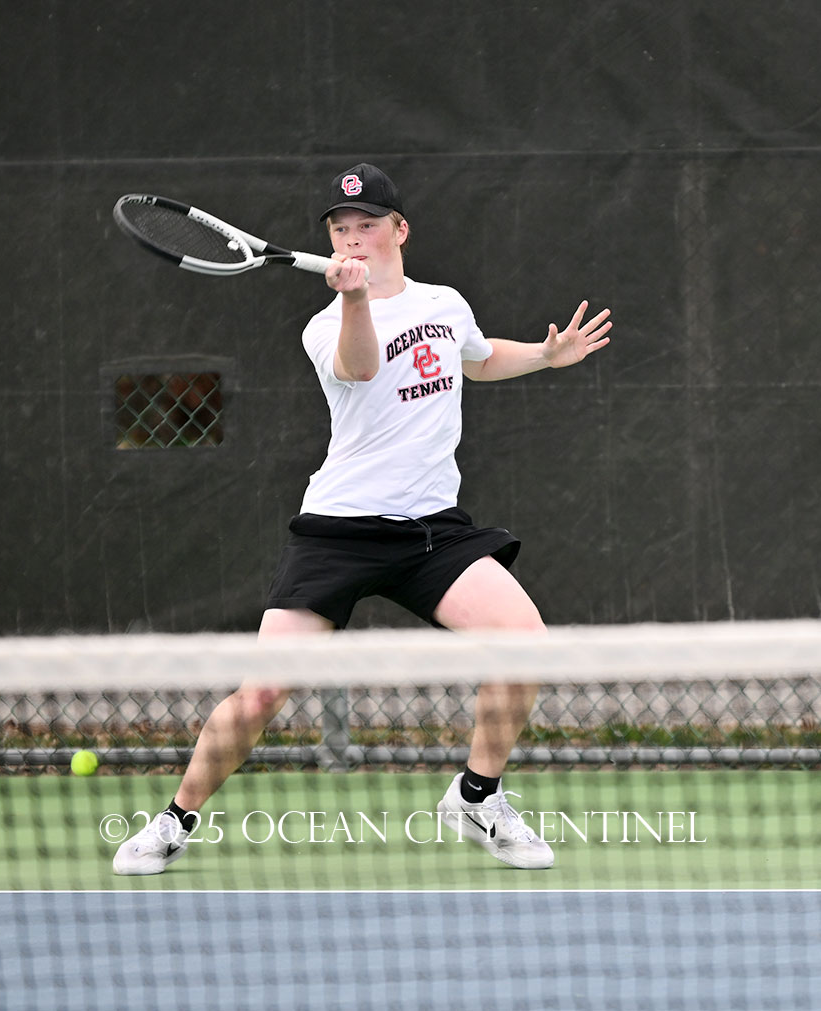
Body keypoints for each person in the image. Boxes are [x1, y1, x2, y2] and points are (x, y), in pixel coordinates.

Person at [113, 163, 612, 874]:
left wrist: (546, 356)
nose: (352, 237)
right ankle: (174, 818)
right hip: (339, 532)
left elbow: (476, 359)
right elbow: (360, 368)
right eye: (340, 228)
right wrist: (354, 301)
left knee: (524, 642)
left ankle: (477, 797)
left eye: (367, 225)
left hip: (433, 529)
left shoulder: (444, 303)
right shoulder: (325, 327)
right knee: (262, 693)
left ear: (399, 230)